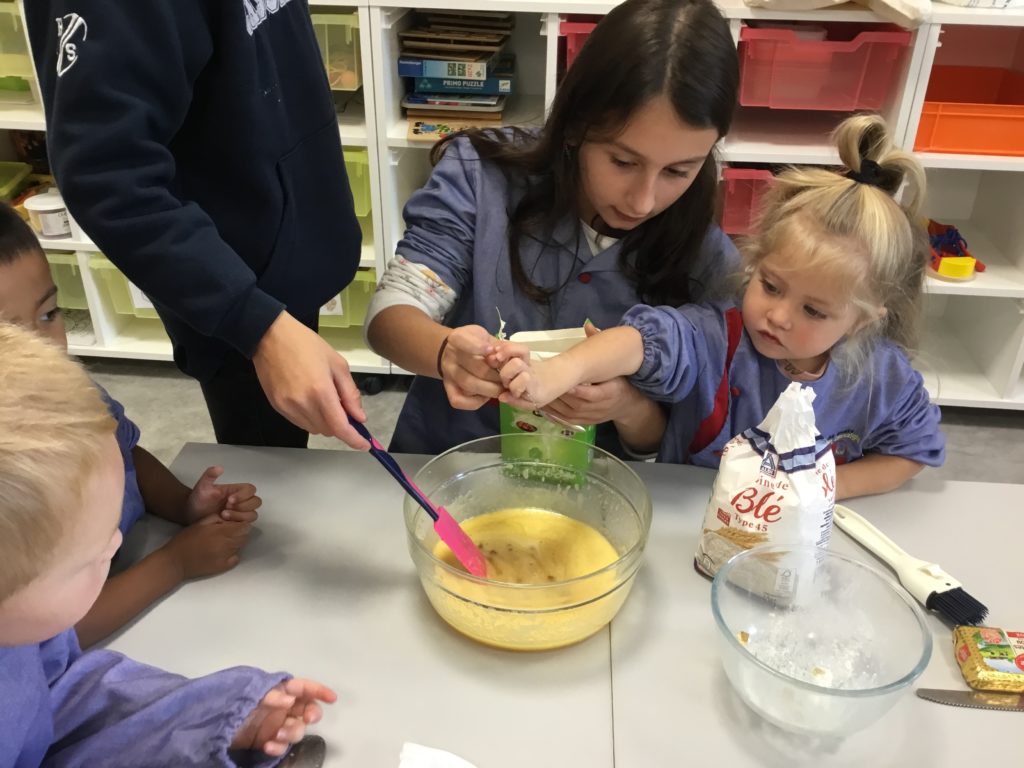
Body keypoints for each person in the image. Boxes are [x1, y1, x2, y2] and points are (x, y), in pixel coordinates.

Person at [493, 114, 945, 500]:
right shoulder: (714, 337)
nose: (778, 315)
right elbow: (637, 342)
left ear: (862, 320)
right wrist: (559, 372)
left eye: (813, 311)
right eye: (770, 286)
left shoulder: (881, 377)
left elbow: (912, 451)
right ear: (754, 264)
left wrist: (819, 489)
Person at [365, 0, 740, 456]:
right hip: (447, 462)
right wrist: (447, 353)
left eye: (678, 171)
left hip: (594, 486)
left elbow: (675, 444)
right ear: (576, 126)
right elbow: (390, 317)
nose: (643, 200)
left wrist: (627, 406)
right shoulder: (481, 175)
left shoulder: (709, 261)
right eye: (623, 161)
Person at [24, 1, 369, 450]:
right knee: (267, 465)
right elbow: (107, 174)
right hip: (236, 279)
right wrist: (256, 324)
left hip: (282, 244)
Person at [0, 322, 336, 765]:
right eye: (90, 558)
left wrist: (217, 718)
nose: (117, 543)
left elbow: (61, 693)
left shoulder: (24, 633)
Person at [0, 204, 258, 648]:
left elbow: (125, 452)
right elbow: (53, 636)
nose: (42, 347)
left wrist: (183, 505)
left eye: (48, 314)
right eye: (8, 335)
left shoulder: (72, 391)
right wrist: (174, 563)